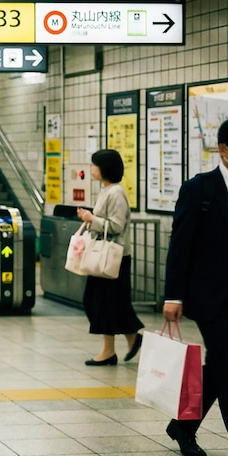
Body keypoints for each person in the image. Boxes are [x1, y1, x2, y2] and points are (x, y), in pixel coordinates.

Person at [162, 116, 228, 456]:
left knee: (223, 364)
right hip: (213, 297)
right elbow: (181, 244)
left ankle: (184, 425)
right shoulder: (201, 188)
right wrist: (173, 295)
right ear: (224, 150)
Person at [76, 149, 142, 366]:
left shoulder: (116, 193)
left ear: (105, 168)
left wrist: (91, 218)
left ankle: (108, 351)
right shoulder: (107, 191)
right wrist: (91, 217)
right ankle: (132, 337)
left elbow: (115, 225)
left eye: (95, 165)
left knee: (100, 302)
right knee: (112, 302)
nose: (91, 168)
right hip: (107, 256)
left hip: (114, 257)